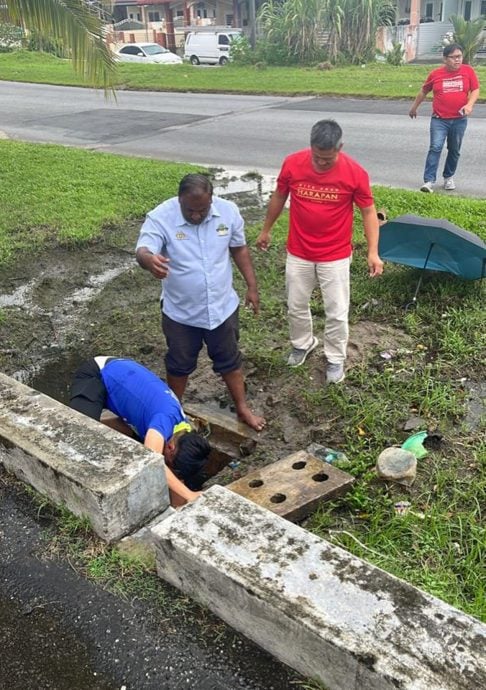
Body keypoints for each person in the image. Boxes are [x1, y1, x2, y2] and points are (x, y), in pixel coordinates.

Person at [256, 119, 383, 384]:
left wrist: (373, 251)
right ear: (310, 146)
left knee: (336, 311)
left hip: (335, 255)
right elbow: (279, 196)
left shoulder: (354, 173)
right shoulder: (292, 163)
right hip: (299, 251)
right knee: (296, 305)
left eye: (327, 159)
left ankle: (335, 358)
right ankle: (303, 343)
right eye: (317, 157)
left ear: (341, 147)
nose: (321, 163)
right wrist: (266, 229)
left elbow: (368, 212)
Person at [135, 173, 265, 432]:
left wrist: (252, 285)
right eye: (189, 210)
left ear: (212, 200)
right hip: (181, 313)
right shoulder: (161, 216)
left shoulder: (228, 213)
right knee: (179, 364)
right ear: (179, 199)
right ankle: (175, 412)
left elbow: (238, 248)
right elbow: (143, 249)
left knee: (229, 359)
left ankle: (242, 408)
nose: (195, 215)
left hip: (222, 308)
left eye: (202, 210)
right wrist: (149, 261)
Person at [69, 356, 211, 506]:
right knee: (79, 436)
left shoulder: (184, 430)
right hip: (99, 373)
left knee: (133, 440)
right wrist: (188, 494)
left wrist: (180, 505)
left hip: (125, 377)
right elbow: (151, 462)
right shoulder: (165, 419)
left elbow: (176, 474)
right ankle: (85, 419)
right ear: (171, 447)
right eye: (169, 460)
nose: (168, 463)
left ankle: (97, 423)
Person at [409, 43, 480, 193]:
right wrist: (414, 107)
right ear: (445, 59)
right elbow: (423, 91)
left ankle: (448, 177)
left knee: (454, 149)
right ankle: (429, 181)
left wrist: (470, 105)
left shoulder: (468, 71)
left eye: (459, 56)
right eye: (453, 57)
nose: (457, 60)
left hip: (459, 120)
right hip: (439, 119)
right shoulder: (435, 74)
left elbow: (475, 90)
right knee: (435, 147)